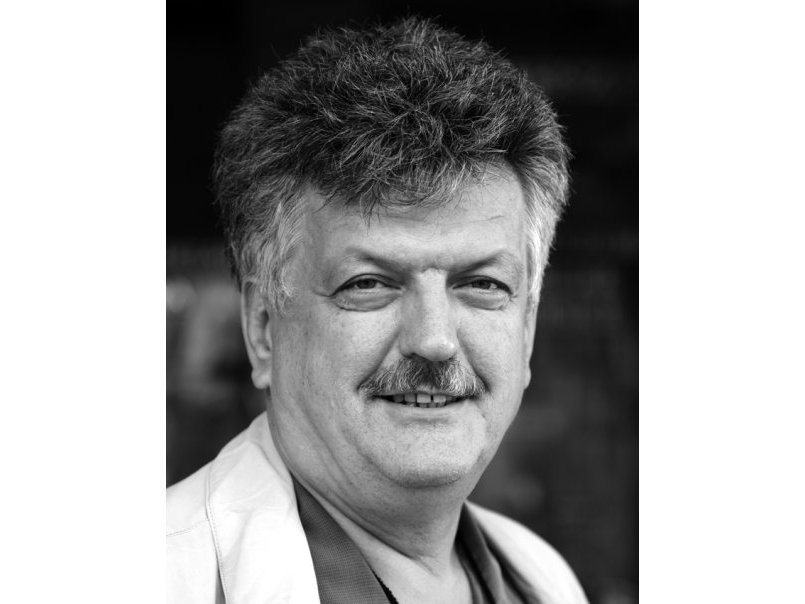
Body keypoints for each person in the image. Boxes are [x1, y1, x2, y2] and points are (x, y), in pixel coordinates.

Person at [167, 16, 588, 604]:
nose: (435, 340)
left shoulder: (543, 579)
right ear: (263, 329)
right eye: (369, 284)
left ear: (528, 329)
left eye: (482, 284)